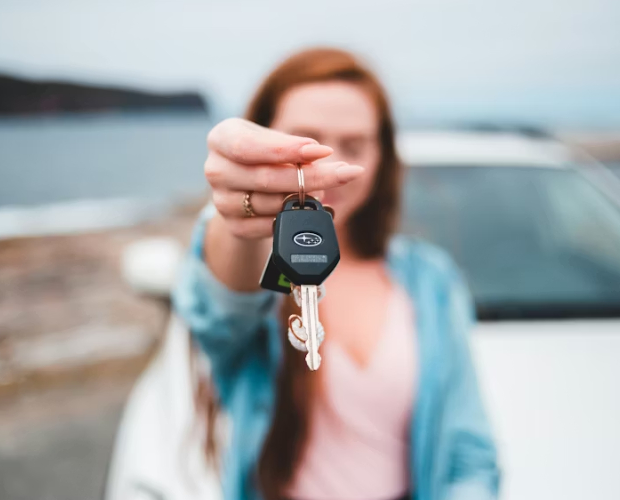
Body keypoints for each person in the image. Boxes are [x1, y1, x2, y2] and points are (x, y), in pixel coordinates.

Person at [173, 47, 499, 500]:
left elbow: (469, 455)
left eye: (354, 144)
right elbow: (220, 312)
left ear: (382, 154)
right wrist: (235, 220)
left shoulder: (432, 282)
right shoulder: (258, 264)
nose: (326, 168)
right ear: (264, 141)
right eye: (305, 142)